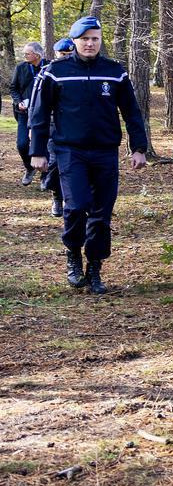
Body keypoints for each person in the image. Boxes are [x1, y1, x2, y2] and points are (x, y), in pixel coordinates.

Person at [29, 16, 147, 294]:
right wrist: (37, 152)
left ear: (100, 40)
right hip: (71, 151)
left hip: (105, 151)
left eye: (95, 38)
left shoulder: (114, 71)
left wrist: (139, 148)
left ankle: (94, 266)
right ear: (75, 41)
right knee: (77, 205)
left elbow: (131, 112)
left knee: (101, 213)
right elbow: (40, 114)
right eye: (84, 39)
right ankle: (73, 255)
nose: (90, 43)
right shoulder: (56, 71)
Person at [32, 38, 75, 217]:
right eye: (62, 54)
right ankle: (57, 196)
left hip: (75, 129)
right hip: (52, 128)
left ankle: (73, 200)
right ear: (56, 54)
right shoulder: (47, 73)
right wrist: (32, 130)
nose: (65, 57)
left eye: (68, 54)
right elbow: (37, 106)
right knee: (55, 164)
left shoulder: (79, 73)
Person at [10, 41, 48, 185]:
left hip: (43, 113)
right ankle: (29, 168)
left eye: (27, 53)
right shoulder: (20, 67)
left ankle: (45, 175)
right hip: (24, 113)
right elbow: (13, 88)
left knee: (44, 144)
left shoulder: (49, 67)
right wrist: (18, 101)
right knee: (22, 144)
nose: (24, 55)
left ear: (37, 55)